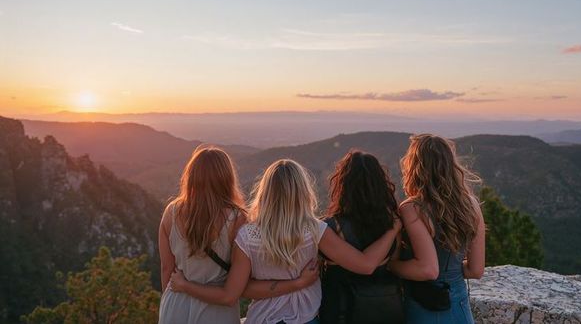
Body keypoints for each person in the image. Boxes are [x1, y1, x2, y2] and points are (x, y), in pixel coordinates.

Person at [170, 159, 400, 324]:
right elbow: (366, 265)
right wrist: (392, 229)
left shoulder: (247, 236)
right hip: (304, 318)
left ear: (266, 193)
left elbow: (241, 290)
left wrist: (185, 285)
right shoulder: (315, 230)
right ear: (302, 193)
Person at [158, 147, 316, 324]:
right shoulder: (237, 219)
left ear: (191, 176)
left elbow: (166, 269)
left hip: (176, 302)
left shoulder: (171, 212)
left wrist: (172, 299)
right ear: (227, 178)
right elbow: (244, 282)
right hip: (216, 310)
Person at [389, 134, 485, 324]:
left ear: (414, 168)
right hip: (460, 308)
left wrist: (391, 266)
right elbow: (476, 270)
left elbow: (427, 270)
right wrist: (451, 272)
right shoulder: (471, 205)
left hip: (425, 307)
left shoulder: (412, 209)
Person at [320, 150, 403, 324]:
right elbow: (393, 264)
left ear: (342, 185)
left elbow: (366, 265)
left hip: (341, 313)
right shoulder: (393, 225)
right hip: (384, 312)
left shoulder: (330, 228)